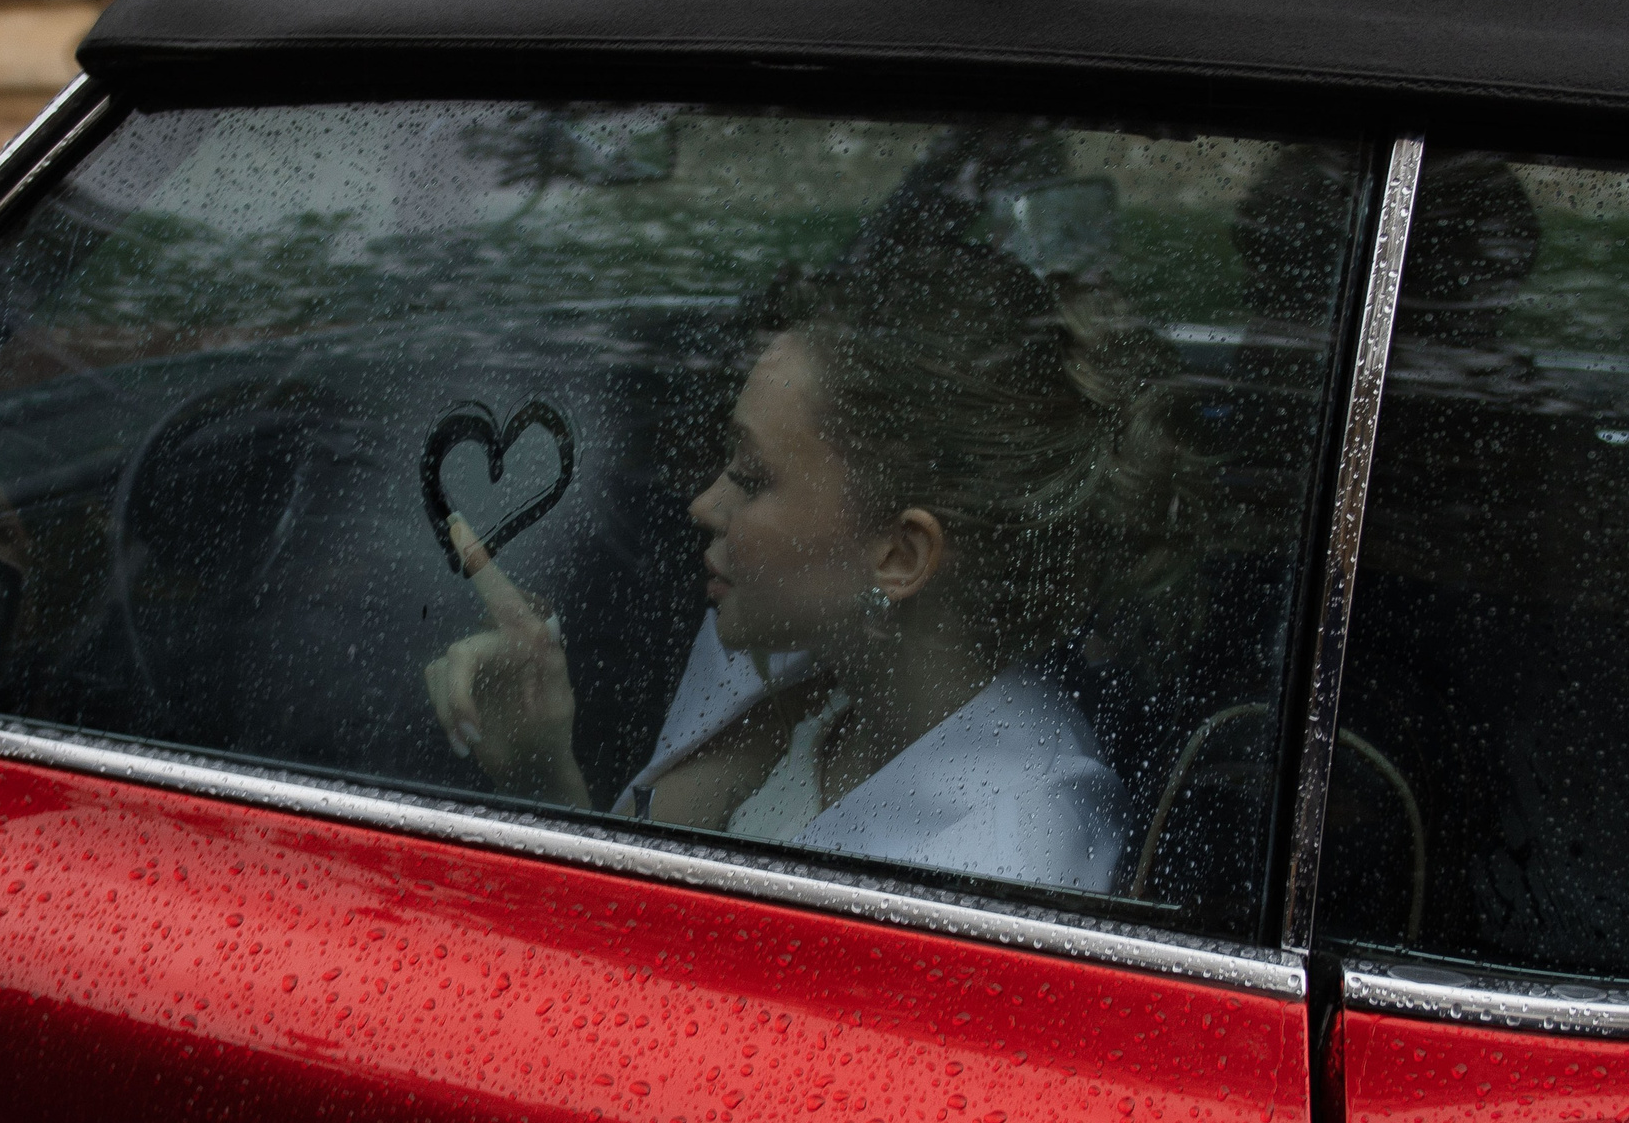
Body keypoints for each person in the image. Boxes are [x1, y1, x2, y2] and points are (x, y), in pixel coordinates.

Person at [422, 243, 1210, 894]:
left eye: (754, 477)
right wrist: (539, 766)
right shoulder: (791, 646)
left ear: (900, 557)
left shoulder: (1006, 864)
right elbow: (621, 930)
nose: (704, 503)